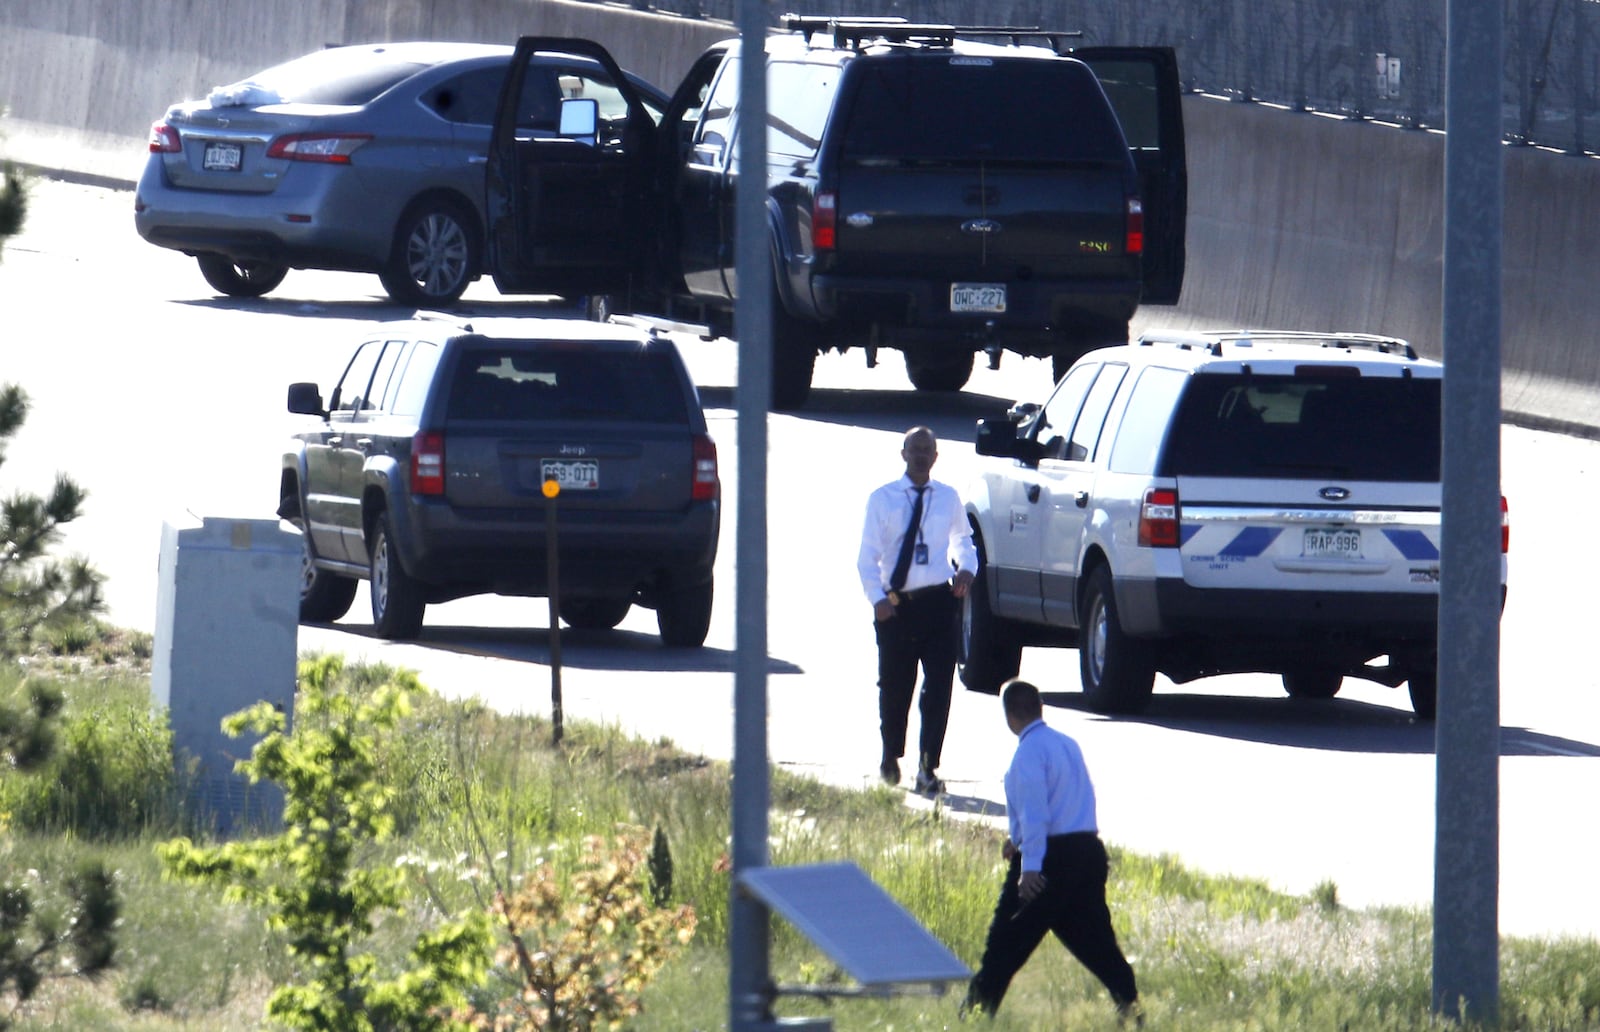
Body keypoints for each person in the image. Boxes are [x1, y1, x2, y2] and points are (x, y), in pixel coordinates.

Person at [962, 679, 1140, 1022]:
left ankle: (974, 1013)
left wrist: (1030, 867)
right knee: (1092, 938)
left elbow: (1037, 814)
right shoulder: (1066, 744)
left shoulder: (1027, 753)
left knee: (1005, 943)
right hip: (1087, 852)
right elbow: (1069, 800)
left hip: (1048, 861)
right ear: (1039, 708)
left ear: (1009, 716)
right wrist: (1017, 839)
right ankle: (1130, 1002)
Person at [856, 425, 977, 796]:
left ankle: (928, 767)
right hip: (897, 608)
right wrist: (878, 599)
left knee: (939, 688)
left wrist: (967, 569)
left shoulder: (948, 497)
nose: (922, 455)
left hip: (938, 605)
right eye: (916, 449)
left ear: (936, 457)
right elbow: (866, 559)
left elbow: (963, 541)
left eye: (928, 450)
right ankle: (890, 755)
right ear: (903, 453)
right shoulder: (884, 499)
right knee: (895, 686)